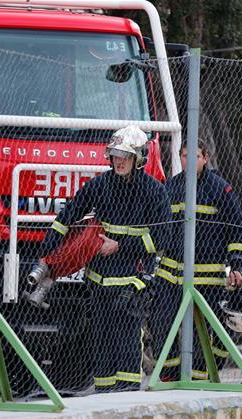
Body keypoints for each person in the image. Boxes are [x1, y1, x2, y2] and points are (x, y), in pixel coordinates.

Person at [39, 126, 169, 392]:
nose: (118, 160)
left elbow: (162, 240)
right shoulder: (100, 184)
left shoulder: (154, 191)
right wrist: (47, 252)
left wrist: (120, 246)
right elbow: (68, 215)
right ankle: (104, 397)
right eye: (114, 154)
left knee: (127, 344)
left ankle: (126, 397)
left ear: (139, 158)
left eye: (125, 155)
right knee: (102, 346)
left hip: (131, 281)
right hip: (98, 281)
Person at [150, 140, 242, 380]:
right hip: (170, 276)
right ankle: (170, 375)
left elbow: (235, 231)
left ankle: (200, 377)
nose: (189, 160)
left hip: (207, 277)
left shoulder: (221, 190)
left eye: (194, 155)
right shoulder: (170, 188)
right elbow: (159, 229)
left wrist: (237, 264)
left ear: (206, 157)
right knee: (162, 325)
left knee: (203, 331)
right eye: (184, 156)